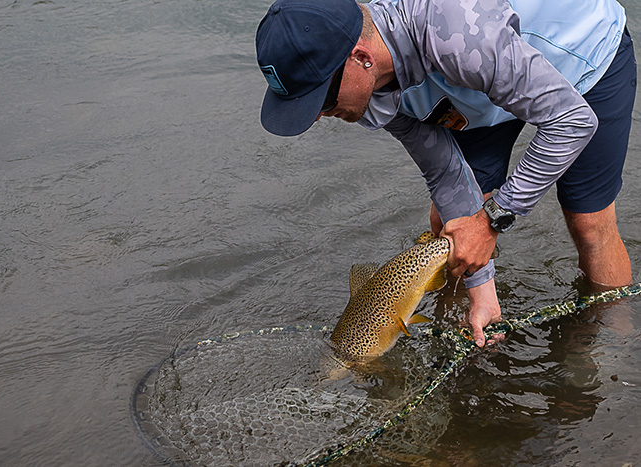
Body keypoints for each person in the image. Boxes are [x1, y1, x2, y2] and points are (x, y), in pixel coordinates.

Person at [255, 0, 636, 347]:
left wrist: (492, 220)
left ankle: (613, 352)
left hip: (581, 59)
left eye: (320, 98)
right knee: (450, 224)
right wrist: (482, 289)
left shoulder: (458, 35)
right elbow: (445, 174)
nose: (319, 115)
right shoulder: (368, 93)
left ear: (360, 58)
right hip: (483, 82)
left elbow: (572, 121)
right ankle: (470, 330)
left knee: (589, 223)